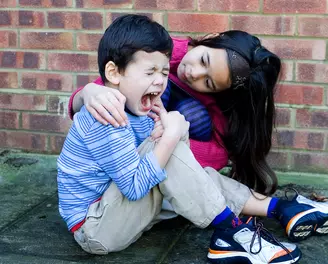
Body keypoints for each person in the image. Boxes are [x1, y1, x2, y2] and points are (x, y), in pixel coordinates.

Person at [57, 14, 303, 263]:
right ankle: (231, 231)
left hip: (119, 210)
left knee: (184, 162)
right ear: (115, 73)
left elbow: (185, 167)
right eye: (151, 72)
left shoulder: (141, 106)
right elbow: (134, 187)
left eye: (164, 73)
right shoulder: (107, 114)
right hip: (96, 227)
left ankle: (277, 209)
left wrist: (167, 132)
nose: (161, 81)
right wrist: (168, 138)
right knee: (170, 148)